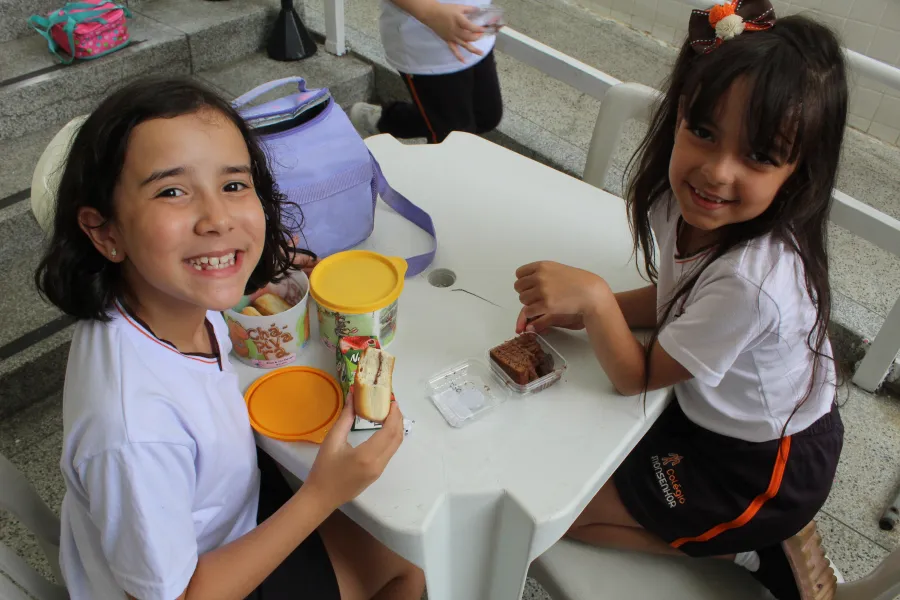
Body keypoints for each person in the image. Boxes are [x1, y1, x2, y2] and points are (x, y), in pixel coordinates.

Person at [35, 76, 425, 600]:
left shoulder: (160, 299)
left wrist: (235, 272)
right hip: (201, 578)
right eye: (171, 191)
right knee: (410, 567)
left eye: (234, 185)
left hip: (221, 511)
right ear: (106, 232)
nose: (217, 219)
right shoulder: (134, 430)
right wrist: (323, 494)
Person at [512, 2, 846, 599]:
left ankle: (749, 547)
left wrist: (595, 301)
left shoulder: (753, 280)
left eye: (759, 156)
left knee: (564, 516)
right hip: (710, 415)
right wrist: (591, 310)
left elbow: (637, 377)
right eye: (704, 132)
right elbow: (678, 301)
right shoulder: (682, 201)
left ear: (798, 173)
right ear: (679, 114)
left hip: (759, 468)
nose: (716, 171)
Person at [349, 0, 503, 144]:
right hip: (427, 50)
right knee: (452, 140)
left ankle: (386, 120)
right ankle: (389, 121)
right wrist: (431, 13)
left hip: (476, 33)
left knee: (486, 116)